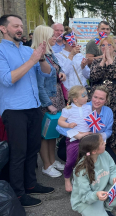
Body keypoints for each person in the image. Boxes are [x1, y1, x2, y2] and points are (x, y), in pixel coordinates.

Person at [0, 14, 54, 207]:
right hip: (14, 109)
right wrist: (32, 60)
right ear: (3, 29)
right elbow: (8, 79)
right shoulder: (0, 51)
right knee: (18, 153)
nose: (20, 29)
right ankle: (18, 194)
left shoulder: (26, 50)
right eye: (15, 26)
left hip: (33, 106)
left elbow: (47, 73)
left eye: (21, 26)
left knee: (33, 150)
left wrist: (41, 58)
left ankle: (30, 185)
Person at [56, 86, 116, 190]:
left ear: (106, 100)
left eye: (101, 99)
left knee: (114, 163)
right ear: (91, 96)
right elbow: (59, 127)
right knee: (70, 156)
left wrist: (99, 136)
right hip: (76, 138)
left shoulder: (108, 112)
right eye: (95, 97)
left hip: (96, 141)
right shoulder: (81, 105)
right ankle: (76, 176)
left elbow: (108, 131)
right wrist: (76, 134)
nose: (97, 101)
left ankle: (96, 177)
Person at [33, 25, 67, 178]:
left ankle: (52, 161)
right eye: (52, 36)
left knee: (53, 132)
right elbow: (39, 86)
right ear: (44, 38)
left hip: (57, 96)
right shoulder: (38, 57)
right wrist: (48, 104)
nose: (56, 38)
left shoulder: (51, 54)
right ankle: (46, 165)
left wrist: (62, 74)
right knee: (44, 134)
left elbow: (57, 70)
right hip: (47, 100)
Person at [71, 134, 116, 216]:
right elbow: (84, 196)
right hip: (86, 201)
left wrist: (114, 178)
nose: (105, 143)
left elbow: (112, 170)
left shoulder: (105, 154)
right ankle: (95, 210)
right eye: (102, 143)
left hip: (101, 193)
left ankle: (107, 208)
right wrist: (96, 195)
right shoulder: (81, 170)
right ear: (94, 151)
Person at [90, 37, 116, 151]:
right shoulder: (95, 62)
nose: (106, 48)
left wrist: (109, 58)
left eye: (109, 45)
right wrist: (103, 61)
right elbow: (94, 77)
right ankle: (95, 146)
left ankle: (113, 150)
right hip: (98, 95)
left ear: (113, 47)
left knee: (114, 121)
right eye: (103, 45)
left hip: (114, 95)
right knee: (98, 119)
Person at [57, 86, 92, 192]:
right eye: (83, 95)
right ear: (75, 99)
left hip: (87, 137)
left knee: (88, 159)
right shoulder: (68, 110)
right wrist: (69, 125)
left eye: (86, 94)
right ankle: (67, 179)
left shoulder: (88, 107)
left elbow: (92, 119)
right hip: (74, 138)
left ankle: (84, 179)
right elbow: (60, 122)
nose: (86, 97)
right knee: (71, 160)